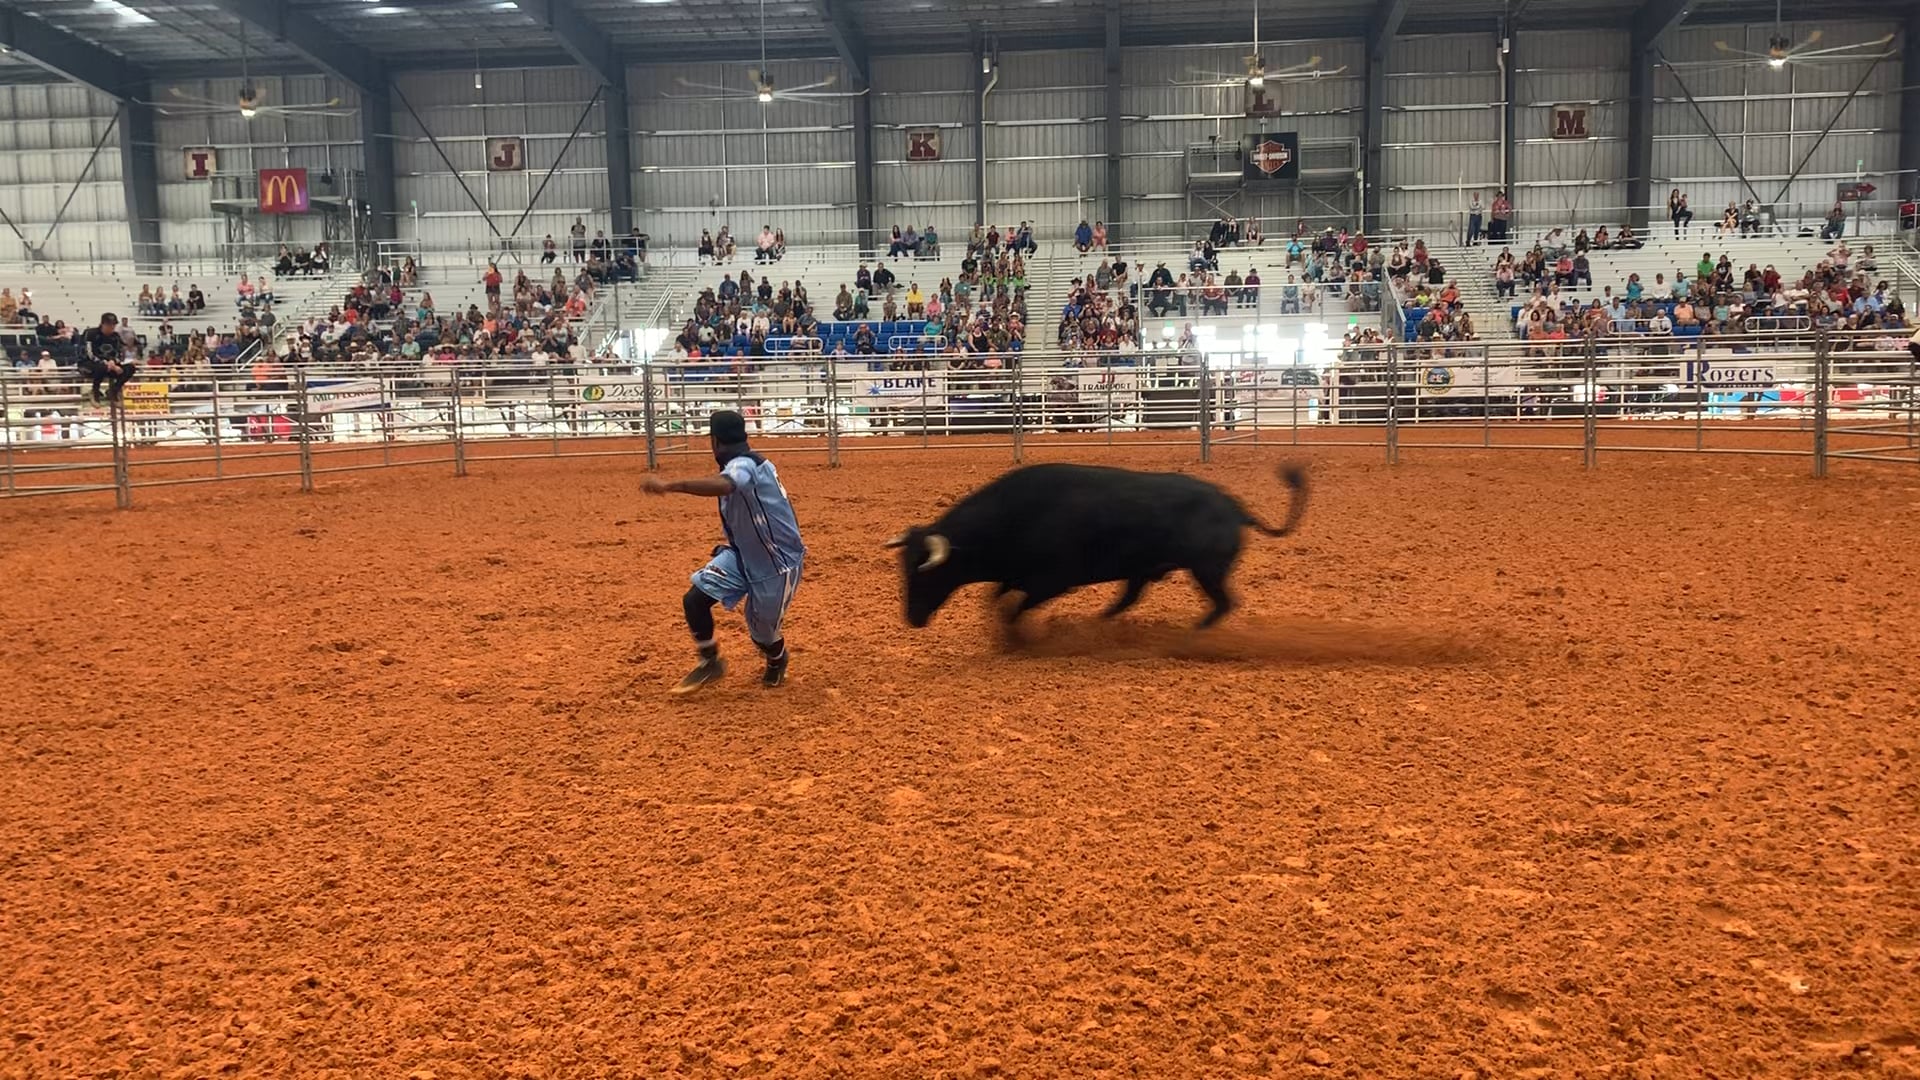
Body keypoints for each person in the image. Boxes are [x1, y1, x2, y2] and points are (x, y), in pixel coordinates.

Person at [642, 410, 806, 693]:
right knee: (695, 599)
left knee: (763, 636)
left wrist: (671, 485)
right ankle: (710, 661)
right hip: (743, 555)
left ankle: (777, 659)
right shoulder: (749, 461)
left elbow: (729, 484)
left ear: (714, 441)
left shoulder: (742, 465)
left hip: (776, 564)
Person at [80, 312, 137, 403]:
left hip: (110, 366)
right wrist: (104, 362)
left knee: (130, 368)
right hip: (88, 365)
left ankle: (113, 390)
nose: (112, 328)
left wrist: (113, 362)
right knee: (101, 367)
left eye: (113, 326)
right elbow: (89, 353)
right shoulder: (90, 333)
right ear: (103, 324)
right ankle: (95, 392)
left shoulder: (115, 336)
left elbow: (119, 353)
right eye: (110, 325)